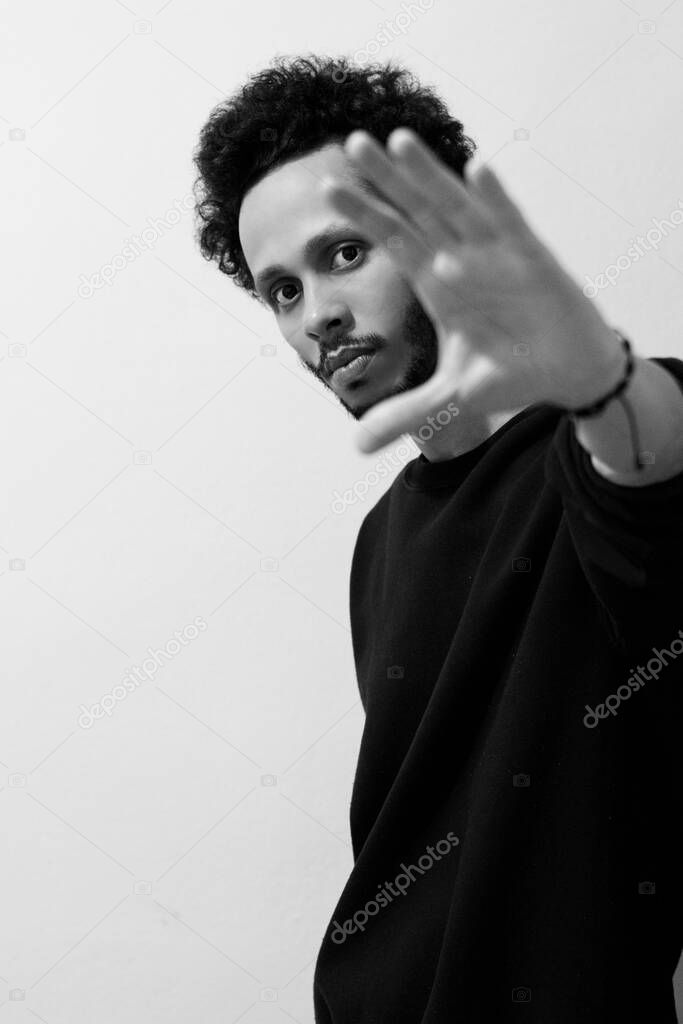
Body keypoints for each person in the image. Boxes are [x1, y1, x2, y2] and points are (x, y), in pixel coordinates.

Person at [192, 54, 683, 1023]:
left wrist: (604, 384)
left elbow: (647, 476)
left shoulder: (604, 445)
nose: (316, 315)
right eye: (280, 290)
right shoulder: (379, 544)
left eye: (342, 254)